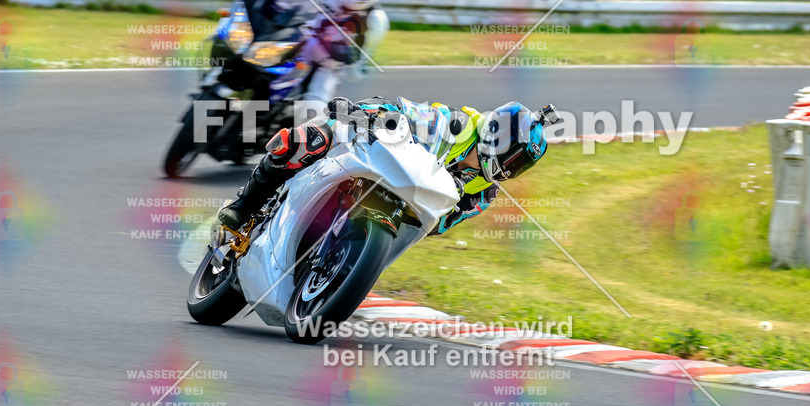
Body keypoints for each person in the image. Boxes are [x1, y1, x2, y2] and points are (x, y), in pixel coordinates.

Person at [217, 96, 559, 234]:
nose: (510, 166)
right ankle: (244, 203)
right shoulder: (454, 123)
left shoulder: (483, 194)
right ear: (496, 132)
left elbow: (434, 229)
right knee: (304, 140)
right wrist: (368, 113)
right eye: (512, 153)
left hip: (388, 207)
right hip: (365, 151)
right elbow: (403, 112)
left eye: (520, 164)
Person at [224, 0, 390, 105]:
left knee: (314, 107)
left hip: (326, 64)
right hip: (294, 39)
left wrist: (349, 57)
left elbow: (360, 67)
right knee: (243, 40)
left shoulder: (375, 19)